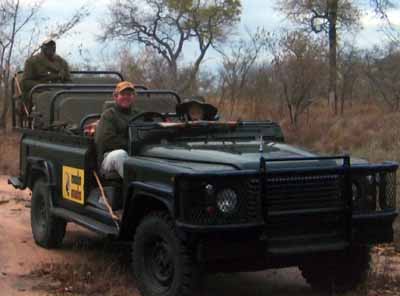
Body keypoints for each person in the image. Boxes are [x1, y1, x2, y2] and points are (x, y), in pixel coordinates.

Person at [95, 81, 139, 178]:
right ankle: (136, 188)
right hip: (109, 157)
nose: (126, 97)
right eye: (123, 94)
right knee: (120, 155)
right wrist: (132, 145)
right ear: (115, 96)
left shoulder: (138, 114)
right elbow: (106, 140)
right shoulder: (109, 115)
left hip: (134, 153)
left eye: (129, 94)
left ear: (133, 97)